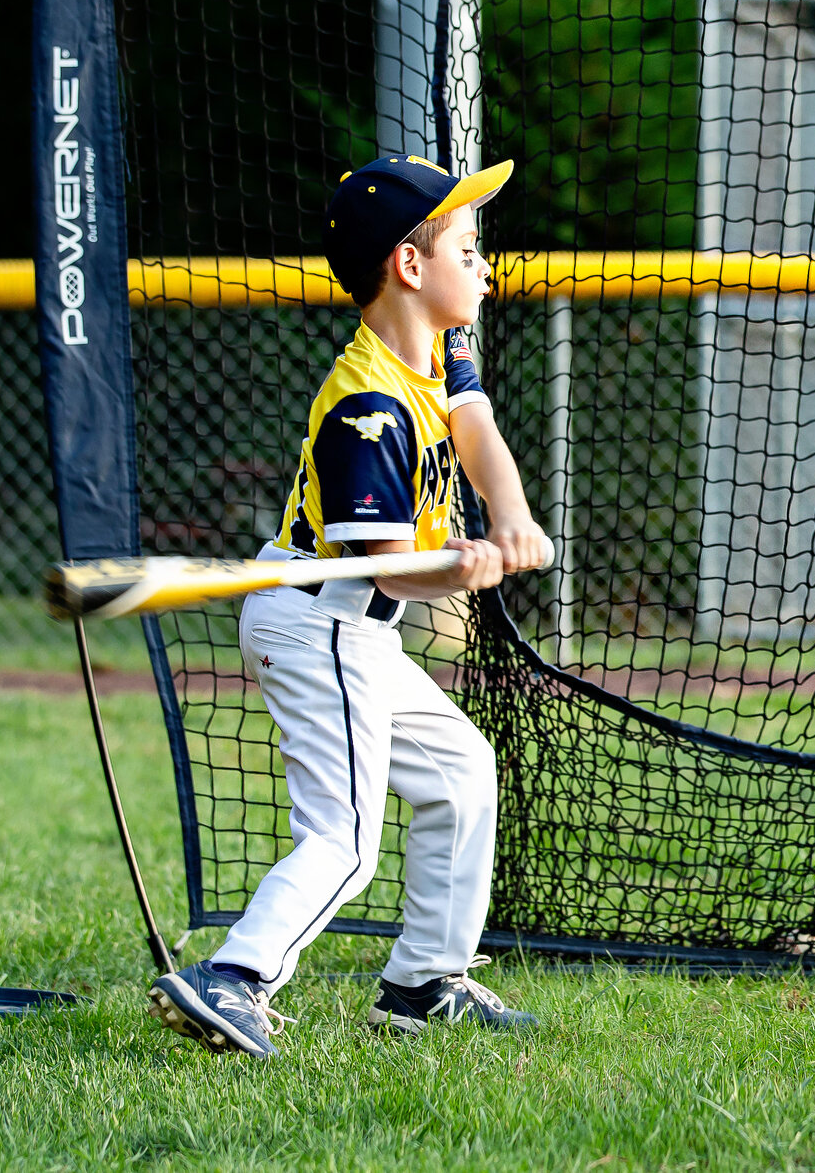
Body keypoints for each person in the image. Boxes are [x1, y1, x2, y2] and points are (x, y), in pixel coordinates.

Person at [148, 154, 552, 1057]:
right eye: (467, 245)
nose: (484, 264)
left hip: (352, 626)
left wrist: (513, 517)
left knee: (461, 770)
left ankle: (420, 984)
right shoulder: (366, 405)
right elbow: (389, 572)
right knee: (346, 838)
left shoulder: (437, 350)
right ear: (411, 266)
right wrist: (469, 565)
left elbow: (475, 423)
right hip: (319, 616)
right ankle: (235, 977)